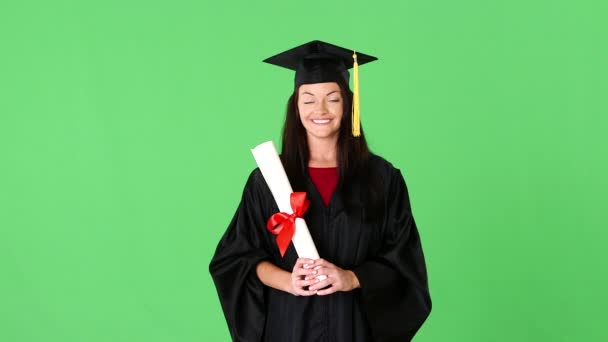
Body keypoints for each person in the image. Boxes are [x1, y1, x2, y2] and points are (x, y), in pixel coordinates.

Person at [209, 40, 432, 342]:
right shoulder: (268, 181)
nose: (321, 110)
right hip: (288, 327)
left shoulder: (382, 179)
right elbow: (236, 259)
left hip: (352, 328)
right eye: (308, 99)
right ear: (296, 106)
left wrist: (351, 278)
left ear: (348, 104)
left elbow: (404, 262)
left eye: (333, 98)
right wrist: (289, 281)